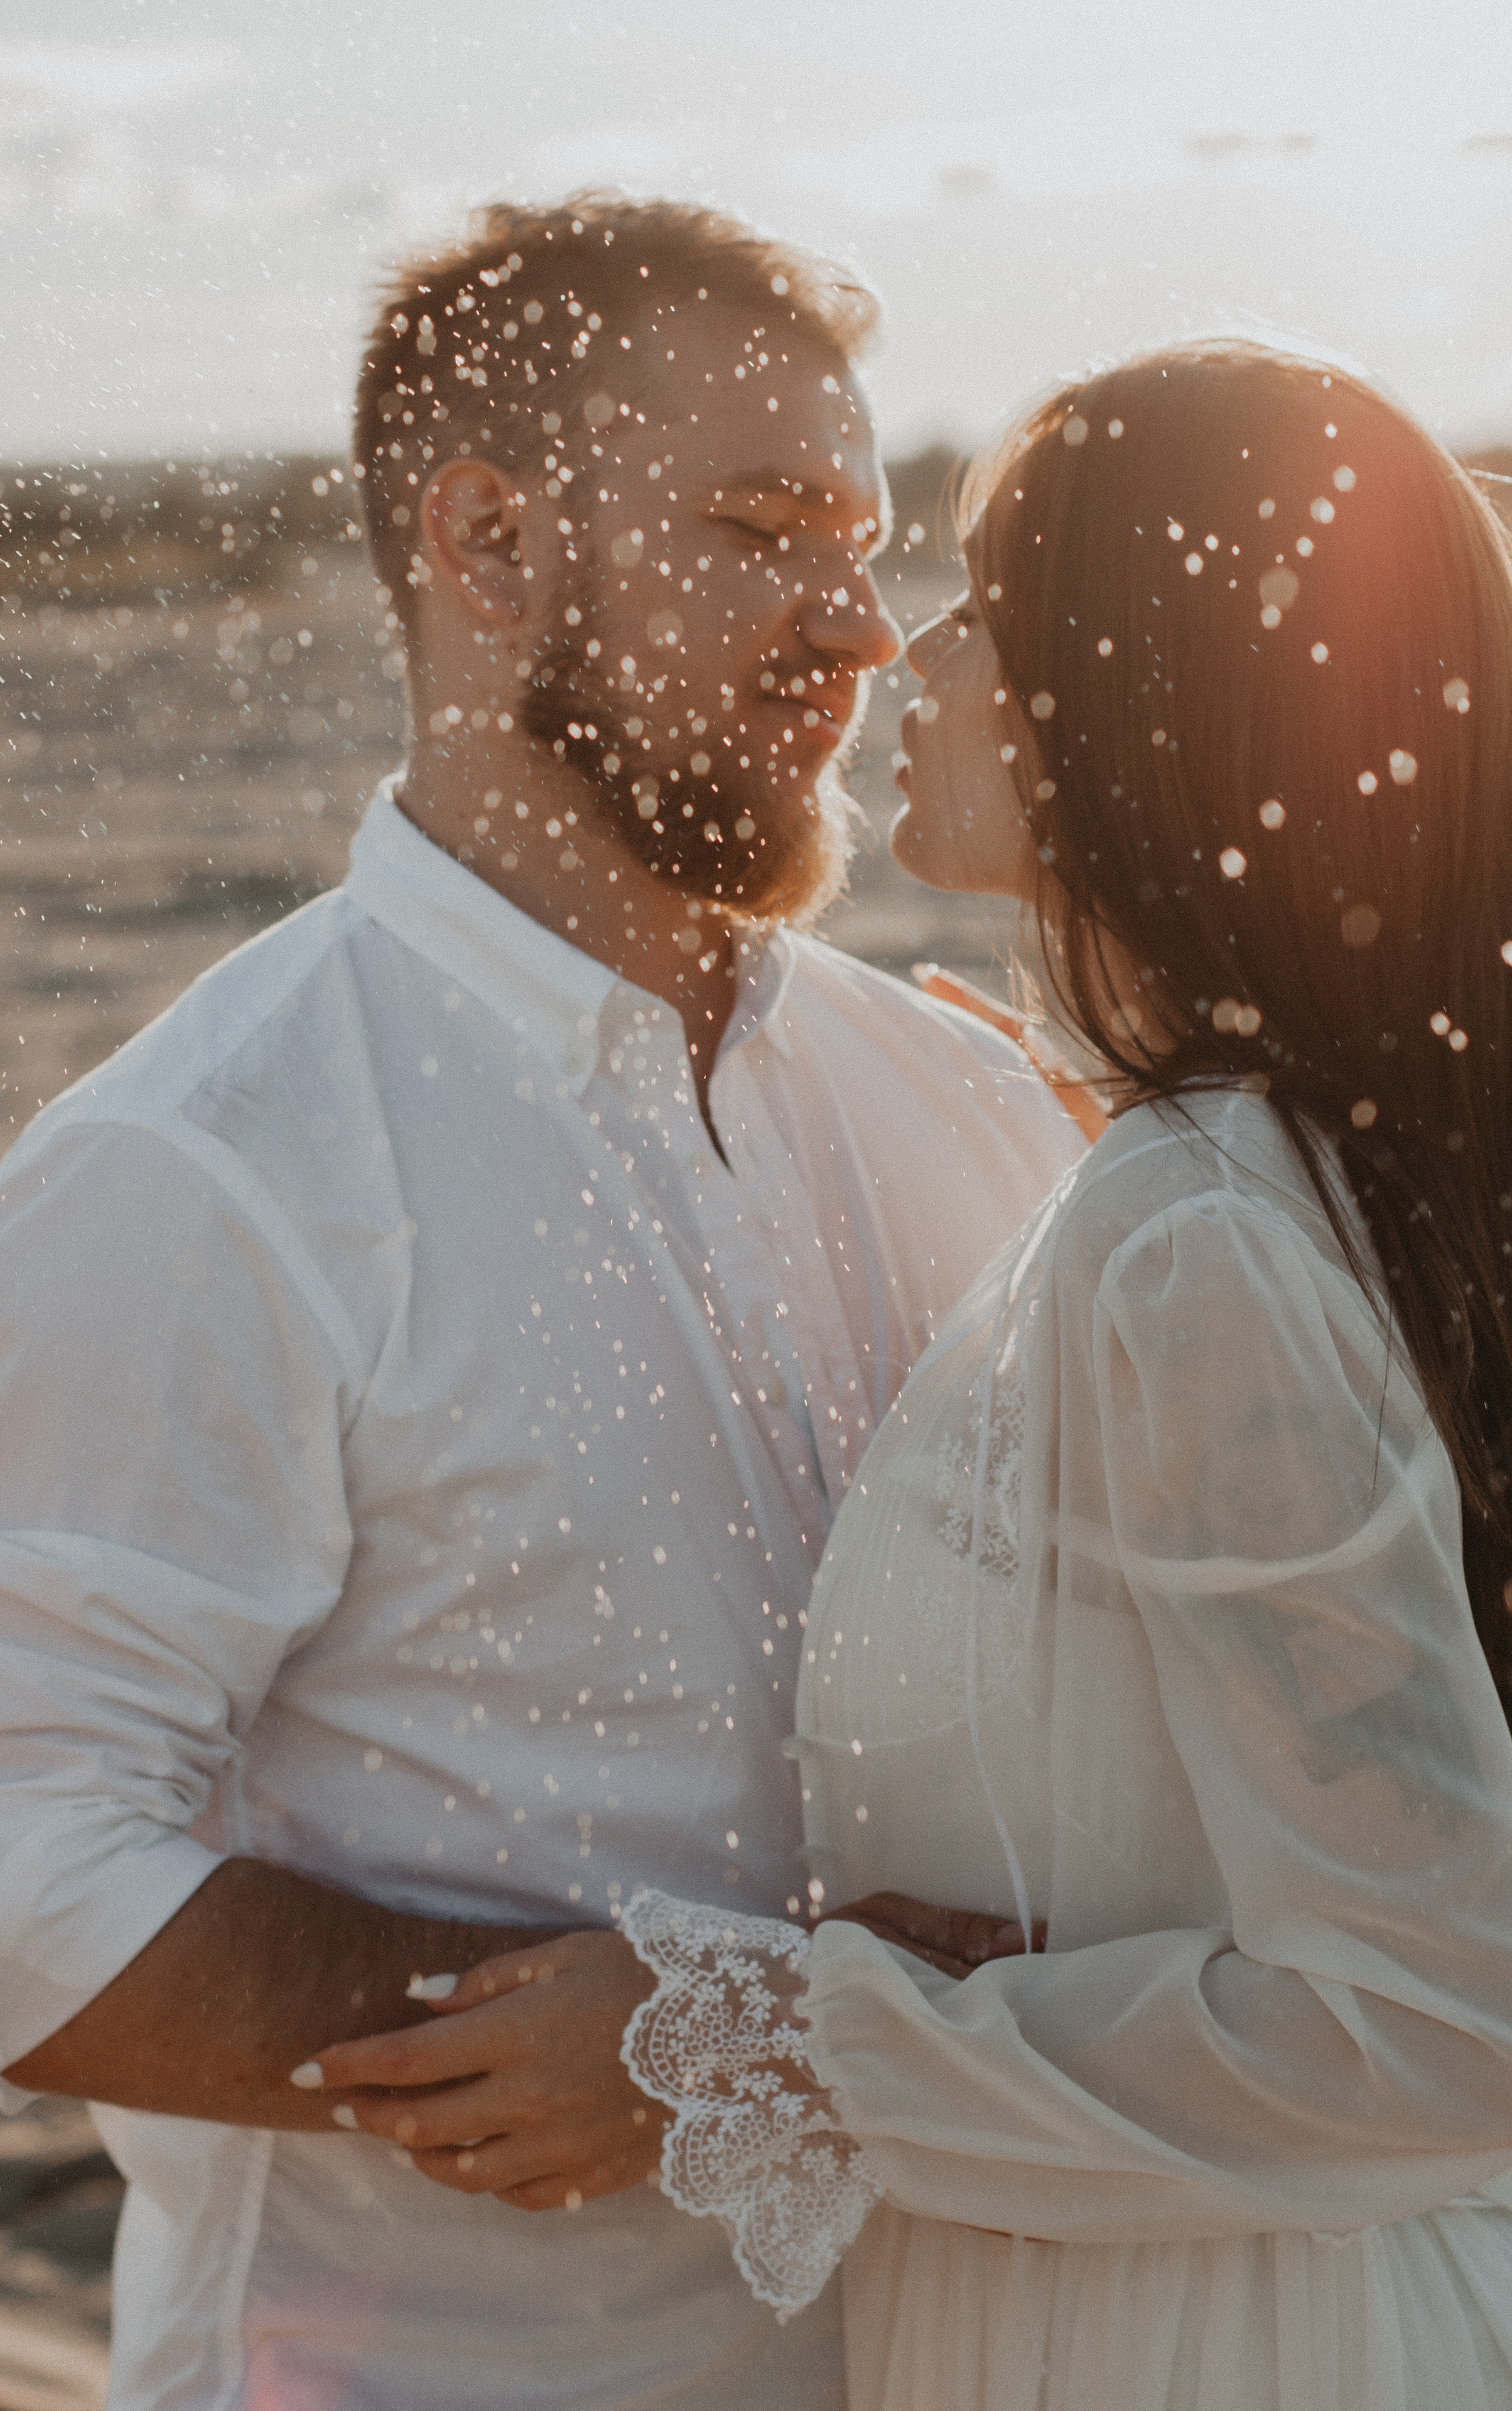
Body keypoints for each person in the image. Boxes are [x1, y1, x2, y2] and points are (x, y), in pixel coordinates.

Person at [319, 341, 1512, 2408]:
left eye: (990, 605)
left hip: (1230, 2346)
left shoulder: (1201, 1246)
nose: (907, 645)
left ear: (1153, 696)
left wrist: (754, 2050)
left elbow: (1438, 2031)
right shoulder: (1327, 1175)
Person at [0, 196, 1081, 2411]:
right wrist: (631, 2050)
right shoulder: (210, 1164)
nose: (858, 632)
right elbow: (26, 1868)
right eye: (767, 530)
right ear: (488, 546)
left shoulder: (964, 1101)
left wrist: (795, 2031)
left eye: (861, 543)